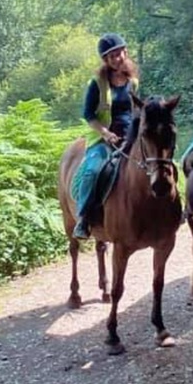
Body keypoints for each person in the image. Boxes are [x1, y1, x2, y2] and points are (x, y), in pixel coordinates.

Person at [71, 33, 139, 239]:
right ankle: (83, 218)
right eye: (112, 56)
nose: (118, 58)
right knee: (93, 170)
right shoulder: (97, 83)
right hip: (103, 138)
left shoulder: (132, 82)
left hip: (130, 136)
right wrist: (105, 133)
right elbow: (88, 115)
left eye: (120, 53)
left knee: (159, 159)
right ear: (106, 60)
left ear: (125, 52)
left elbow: (135, 109)